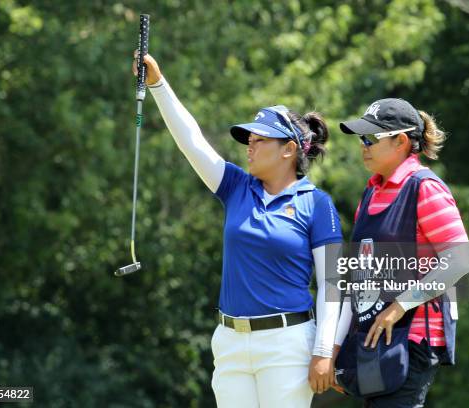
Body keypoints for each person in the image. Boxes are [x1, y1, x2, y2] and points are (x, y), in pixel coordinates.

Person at [131, 53, 343, 407]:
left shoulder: (317, 204)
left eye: (260, 140)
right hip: (229, 341)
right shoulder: (236, 187)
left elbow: (332, 284)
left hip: (287, 343)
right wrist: (158, 84)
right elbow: (192, 142)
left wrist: (323, 350)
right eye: (249, 139)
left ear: (289, 150)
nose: (250, 146)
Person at [333, 98, 469, 407]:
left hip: (412, 342)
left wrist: (399, 306)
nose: (363, 145)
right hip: (374, 341)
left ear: (400, 141)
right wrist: (339, 345)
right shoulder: (371, 192)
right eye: (361, 138)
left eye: (371, 138)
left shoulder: (425, 188)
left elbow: (460, 260)